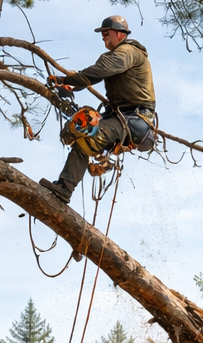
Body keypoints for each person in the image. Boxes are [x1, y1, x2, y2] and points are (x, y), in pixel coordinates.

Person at [39, 15, 156, 203]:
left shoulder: (126, 52)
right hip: (119, 117)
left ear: (120, 34)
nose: (103, 36)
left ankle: (91, 169)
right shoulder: (121, 54)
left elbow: (97, 72)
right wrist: (71, 86)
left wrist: (65, 80)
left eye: (106, 33)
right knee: (81, 137)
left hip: (134, 119)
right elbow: (95, 76)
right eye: (102, 34)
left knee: (90, 135)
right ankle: (64, 187)